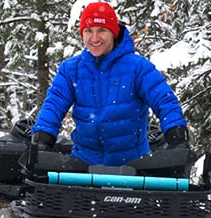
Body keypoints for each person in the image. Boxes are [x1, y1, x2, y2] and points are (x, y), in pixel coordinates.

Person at [31, 1, 189, 167]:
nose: (94, 38)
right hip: (84, 165)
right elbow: (54, 105)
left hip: (132, 166)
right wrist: (43, 137)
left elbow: (164, 100)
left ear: (113, 32)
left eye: (102, 30)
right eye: (88, 31)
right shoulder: (71, 70)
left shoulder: (138, 68)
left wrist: (176, 134)